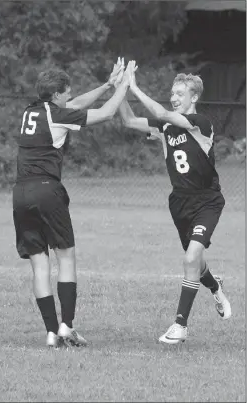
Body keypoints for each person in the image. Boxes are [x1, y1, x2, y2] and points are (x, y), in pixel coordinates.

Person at [13, 59, 134, 348]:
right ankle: (67, 326)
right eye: (66, 92)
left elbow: (75, 105)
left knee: (39, 265)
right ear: (56, 95)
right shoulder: (57, 115)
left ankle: (52, 333)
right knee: (66, 258)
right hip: (47, 191)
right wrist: (124, 85)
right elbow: (105, 114)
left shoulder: (32, 110)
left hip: (20, 194)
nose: (70, 96)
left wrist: (106, 84)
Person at [117, 60, 231, 344]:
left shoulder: (201, 124)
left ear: (194, 97)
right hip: (179, 203)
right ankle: (216, 287)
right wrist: (120, 87)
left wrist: (135, 87)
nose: (174, 97)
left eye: (180, 93)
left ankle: (180, 325)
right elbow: (129, 120)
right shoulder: (165, 127)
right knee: (197, 262)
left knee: (190, 258)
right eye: (173, 92)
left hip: (207, 201)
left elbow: (165, 113)